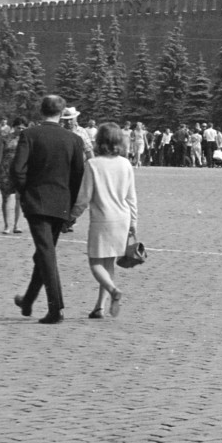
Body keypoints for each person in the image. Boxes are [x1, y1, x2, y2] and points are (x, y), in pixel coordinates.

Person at [11, 95, 87, 324]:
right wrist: (70, 205)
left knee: (45, 254)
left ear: (40, 111)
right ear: (61, 113)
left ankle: (56, 308)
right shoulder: (74, 139)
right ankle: (28, 300)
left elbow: (17, 170)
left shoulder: (30, 135)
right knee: (44, 253)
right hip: (61, 202)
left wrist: (25, 191)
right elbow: (78, 175)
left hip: (36, 201)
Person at [71, 123, 138, 320]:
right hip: (123, 217)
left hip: (102, 219)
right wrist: (134, 222)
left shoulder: (93, 164)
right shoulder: (125, 164)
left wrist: (72, 216)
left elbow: (84, 197)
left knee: (95, 263)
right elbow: (131, 197)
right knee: (109, 263)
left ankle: (113, 289)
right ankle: (99, 307)